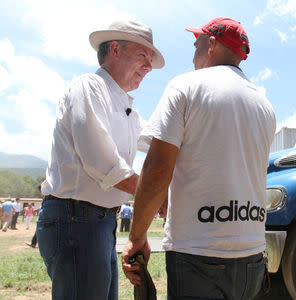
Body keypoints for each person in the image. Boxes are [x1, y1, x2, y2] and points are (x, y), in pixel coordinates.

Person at [122, 17, 276, 300]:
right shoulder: (264, 104)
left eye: (196, 44)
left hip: (198, 253)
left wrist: (136, 237)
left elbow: (157, 169)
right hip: (252, 254)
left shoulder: (186, 86)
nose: (193, 54)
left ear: (212, 45)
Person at [36, 20, 164, 300]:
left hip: (100, 221)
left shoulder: (127, 108)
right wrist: (156, 197)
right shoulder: (89, 87)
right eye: (143, 56)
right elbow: (103, 164)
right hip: (76, 219)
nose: (148, 67)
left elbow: (161, 145)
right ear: (115, 49)